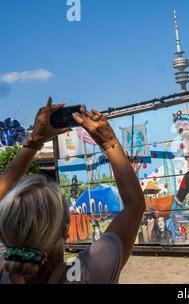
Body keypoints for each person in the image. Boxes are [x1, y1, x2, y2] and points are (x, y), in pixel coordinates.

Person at [0, 98, 145, 284]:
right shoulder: (89, 273)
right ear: (65, 229)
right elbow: (135, 205)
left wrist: (33, 141)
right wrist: (109, 142)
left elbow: (134, 206)